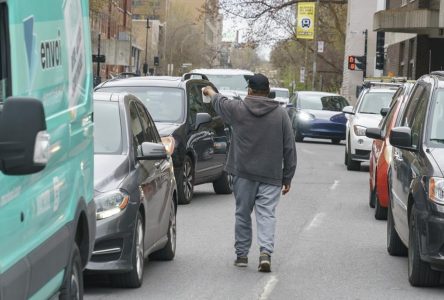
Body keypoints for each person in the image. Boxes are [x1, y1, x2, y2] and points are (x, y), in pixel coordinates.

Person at [202, 73, 297, 272]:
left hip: (242, 173)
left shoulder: (238, 109)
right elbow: (289, 147)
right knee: (267, 215)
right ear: (268, 90)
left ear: (249, 90)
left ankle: (242, 255)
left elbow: (220, 102)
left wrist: (210, 91)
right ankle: (265, 253)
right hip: (271, 175)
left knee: (243, 214)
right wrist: (287, 176)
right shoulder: (280, 114)